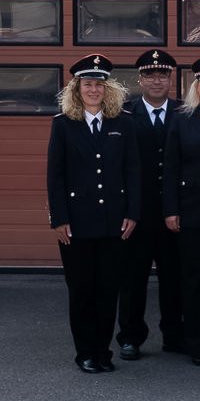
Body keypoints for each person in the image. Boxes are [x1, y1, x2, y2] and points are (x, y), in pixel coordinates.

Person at [47, 54, 139, 374]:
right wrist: (58, 218)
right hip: (76, 222)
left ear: (107, 88)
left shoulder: (123, 123)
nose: (93, 90)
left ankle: (102, 350)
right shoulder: (62, 124)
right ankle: (85, 352)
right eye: (87, 84)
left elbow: (132, 171)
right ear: (77, 88)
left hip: (114, 221)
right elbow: (55, 176)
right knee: (82, 289)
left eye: (99, 84)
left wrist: (133, 213)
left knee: (108, 289)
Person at [121, 49, 182, 360]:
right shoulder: (124, 112)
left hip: (176, 211)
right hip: (138, 212)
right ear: (140, 79)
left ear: (171, 78)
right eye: (150, 75)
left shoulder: (185, 111)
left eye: (163, 74)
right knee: (133, 279)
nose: (157, 80)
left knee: (175, 278)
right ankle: (131, 336)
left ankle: (174, 334)